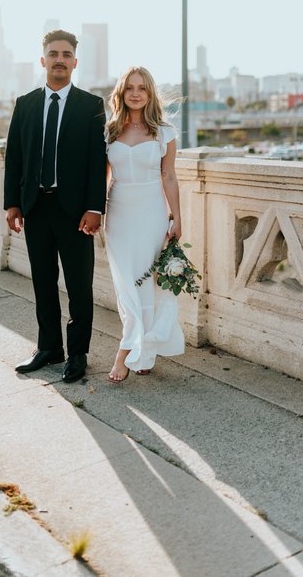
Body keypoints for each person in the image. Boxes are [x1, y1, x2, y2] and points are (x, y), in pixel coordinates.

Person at [4, 30, 107, 383]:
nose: (59, 59)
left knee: (79, 285)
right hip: (35, 208)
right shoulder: (25, 103)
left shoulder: (91, 106)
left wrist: (95, 207)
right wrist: (12, 204)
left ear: (74, 62)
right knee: (43, 282)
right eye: (53, 53)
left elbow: (97, 162)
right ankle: (49, 347)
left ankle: (77, 354)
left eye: (66, 54)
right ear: (43, 60)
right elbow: (14, 159)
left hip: (75, 211)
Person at [104, 66, 185, 383]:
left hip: (152, 213)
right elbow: (104, 178)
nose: (135, 93)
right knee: (127, 286)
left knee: (146, 283)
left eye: (142, 88)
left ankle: (130, 353)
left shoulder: (165, 132)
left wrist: (177, 217)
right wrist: (94, 214)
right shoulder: (109, 131)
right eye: (129, 88)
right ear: (122, 94)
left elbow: (169, 176)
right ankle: (139, 347)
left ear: (150, 94)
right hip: (119, 214)